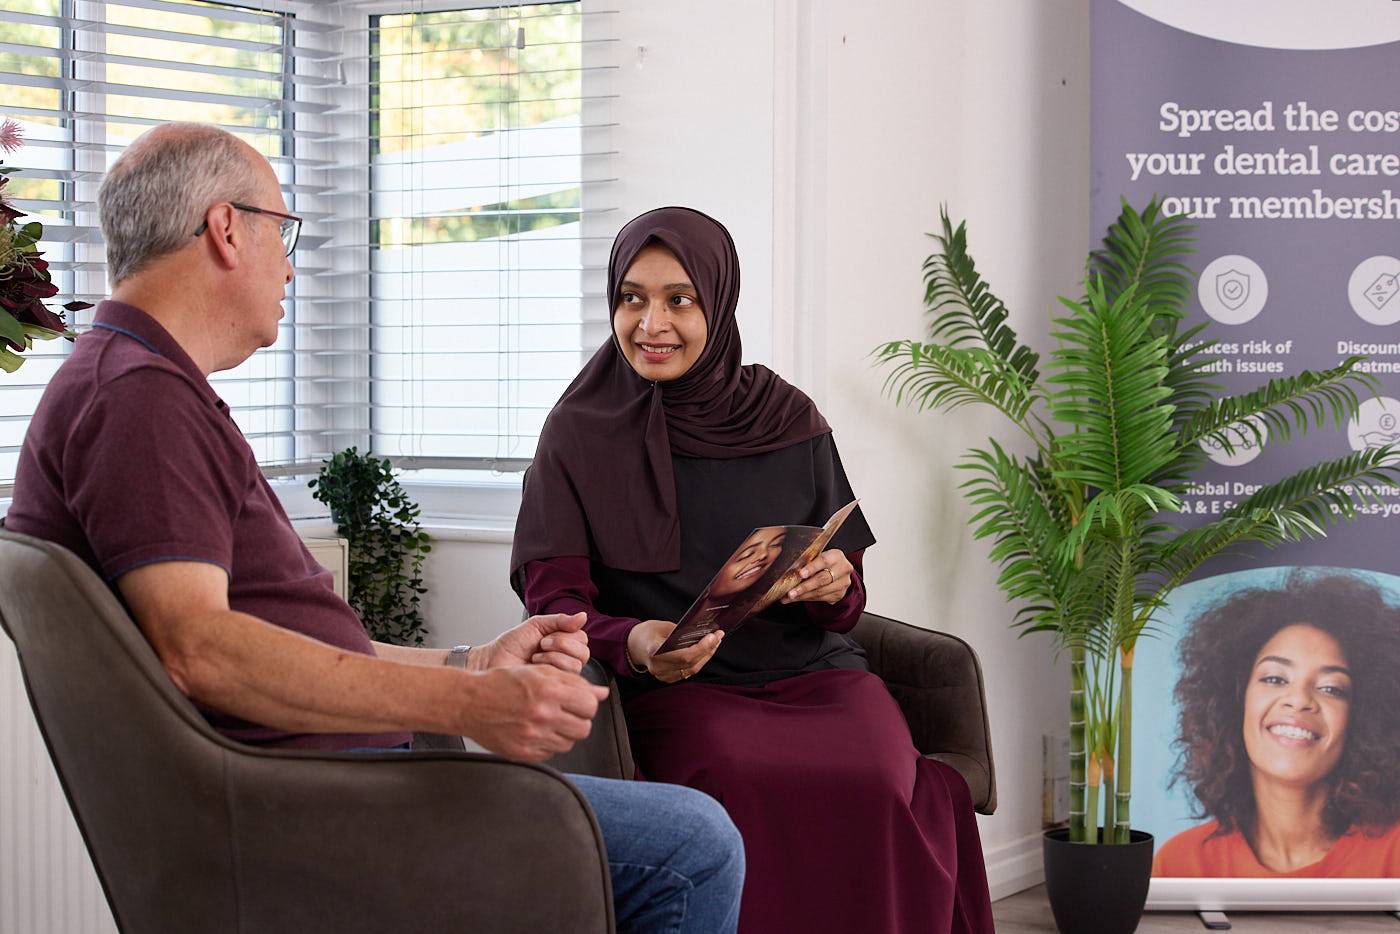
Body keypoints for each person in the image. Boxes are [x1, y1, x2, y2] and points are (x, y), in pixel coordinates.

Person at [4, 124, 743, 934]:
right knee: (695, 843)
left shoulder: (132, 382)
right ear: (224, 230)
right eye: (281, 232)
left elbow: (258, 635)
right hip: (308, 809)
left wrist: (472, 663)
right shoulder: (138, 401)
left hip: (314, 781)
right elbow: (202, 651)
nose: (289, 266)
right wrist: (469, 703)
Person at [511, 206, 995, 934]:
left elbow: (847, 587)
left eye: (680, 299)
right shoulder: (579, 433)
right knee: (734, 778)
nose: (652, 323)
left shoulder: (785, 416)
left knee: (878, 779)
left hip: (818, 676)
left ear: (719, 300)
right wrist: (637, 642)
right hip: (683, 692)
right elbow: (555, 603)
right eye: (631, 297)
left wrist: (835, 586)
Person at [1154, 571, 1400, 877]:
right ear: (1235, 701)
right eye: (1274, 678)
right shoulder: (1182, 862)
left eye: (1331, 688)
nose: (1298, 700)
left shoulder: (1394, 853)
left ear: (1365, 717)